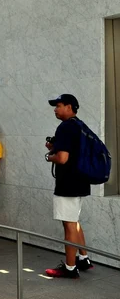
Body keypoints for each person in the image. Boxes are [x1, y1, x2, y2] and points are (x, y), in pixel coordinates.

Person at [44, 94, 93, 279]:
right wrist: (54, 147)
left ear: (70, 107)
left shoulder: (65, 127)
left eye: (59, 105)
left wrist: (49, 156)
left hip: (68, 183)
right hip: (80, 181)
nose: (55, 109)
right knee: (75, 221)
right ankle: (83, 258)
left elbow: (63, 158)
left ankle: (70, 268)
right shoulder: (79, 126)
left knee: (69, 225)